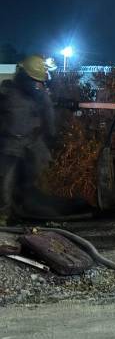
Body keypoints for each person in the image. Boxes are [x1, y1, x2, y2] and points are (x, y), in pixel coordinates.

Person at [0, 55, 57, 221]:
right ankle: (4, 213)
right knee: (6, 179)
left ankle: (31, 206)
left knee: (41, 169)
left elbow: (48, 114)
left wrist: (51, 135)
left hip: (31, 140)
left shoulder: (38, 94)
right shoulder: (9, 93)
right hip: (10, 142)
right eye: (34, 80)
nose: (36, 84)